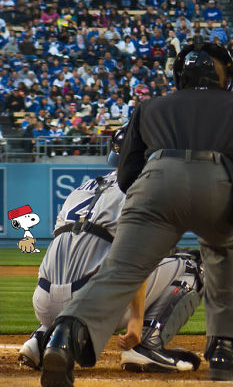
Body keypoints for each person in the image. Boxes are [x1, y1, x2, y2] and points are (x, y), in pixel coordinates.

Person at [38, 43, 233, 386]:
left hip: (155, 180)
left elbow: (126, 173)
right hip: (218, 176)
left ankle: (62, 338)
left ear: (180, 76)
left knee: (120, 271)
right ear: (225, 76)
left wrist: (151, 192)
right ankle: (223, 353)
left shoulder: (149, 107)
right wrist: (230, 183)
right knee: (224, 260)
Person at [19, 128, 204, 374]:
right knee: (194, 263)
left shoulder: (82, 189)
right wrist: (136, 321)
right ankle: (146, 344)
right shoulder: (146, 190)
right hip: (92, 307)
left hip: (43, 302)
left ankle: (42, 339)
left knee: (90, 257)